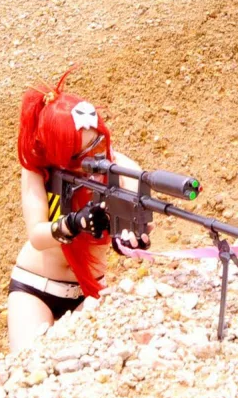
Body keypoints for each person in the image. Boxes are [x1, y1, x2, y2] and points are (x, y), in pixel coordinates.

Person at [10, 66, 151, 352]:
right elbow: (37, 236)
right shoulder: (39, 172)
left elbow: (142, 211)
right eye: (79, 155)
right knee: (27, 368)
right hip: (37, 287)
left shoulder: (117, 167)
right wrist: (74, 224)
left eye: (98, 143)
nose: (94, 158)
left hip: (90, 292)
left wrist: (133, 236)